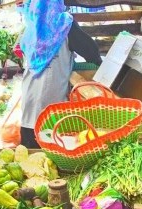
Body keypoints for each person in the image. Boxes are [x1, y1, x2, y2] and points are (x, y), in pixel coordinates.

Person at [18, 0, 102, 148]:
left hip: (28, 112)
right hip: (50, 117)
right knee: (51, 156)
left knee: (31, 158)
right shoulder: (64, 24)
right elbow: (91, 52)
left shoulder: (31, 25)